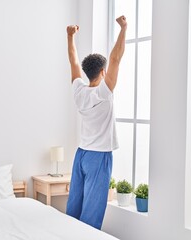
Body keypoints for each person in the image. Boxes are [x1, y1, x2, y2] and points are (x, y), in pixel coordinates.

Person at [66, 15, 127, 230]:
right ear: (102, 72)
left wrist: (70, 36)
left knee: (73, 209)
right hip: (99, 156)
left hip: (81, 154)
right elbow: (116, 58)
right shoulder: (104, 92)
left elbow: (73, 61)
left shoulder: (79, 91)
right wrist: (123, 28)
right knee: (91, 213)